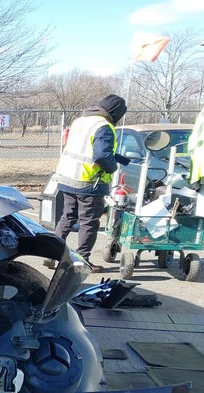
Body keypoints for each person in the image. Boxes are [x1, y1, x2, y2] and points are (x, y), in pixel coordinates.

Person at [49, 94, 130, 272]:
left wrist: (116, 157)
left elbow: (86, 148)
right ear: (116, 113)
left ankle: (51, 255)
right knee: (89, 222)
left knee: (67, 217)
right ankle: (82, 261)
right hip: (88, 182)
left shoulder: (81, 121)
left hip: (67, 177)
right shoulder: (104, 126)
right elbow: (100, 155)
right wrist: (112, 167)